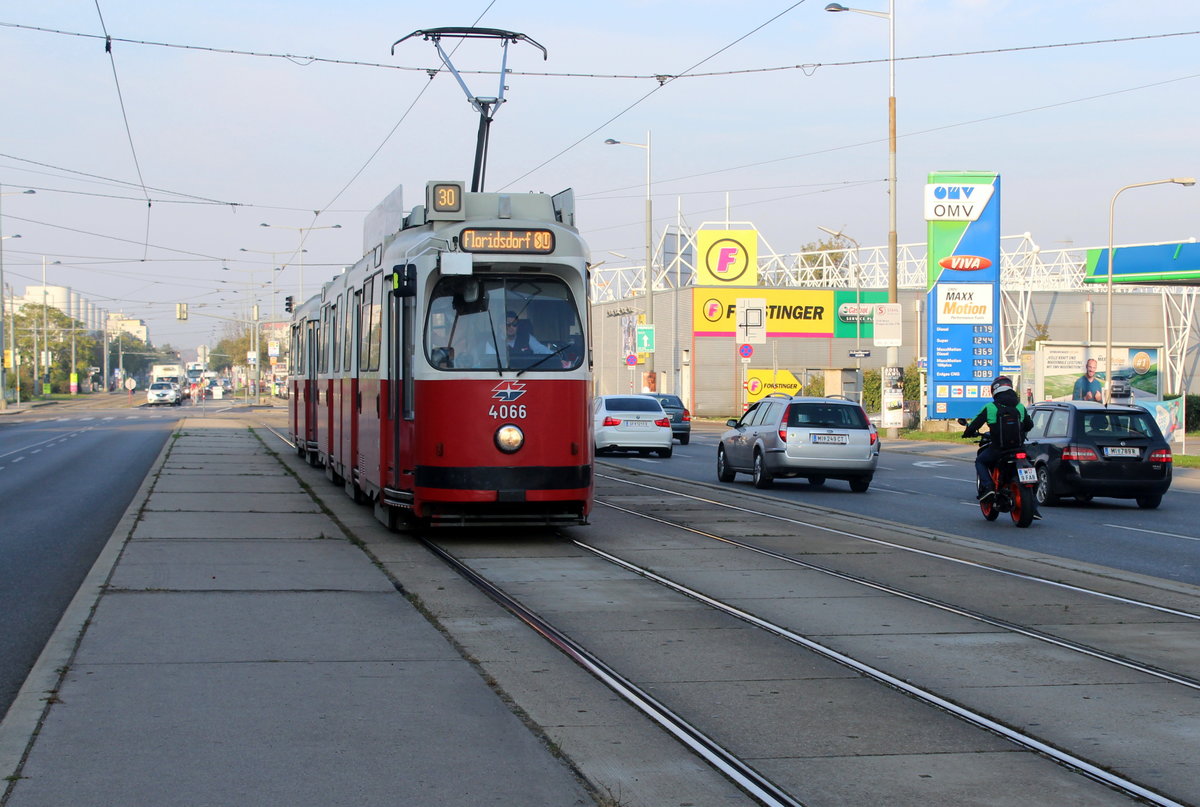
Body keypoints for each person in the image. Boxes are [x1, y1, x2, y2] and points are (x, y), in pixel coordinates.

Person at [962, 376, 1036, 513]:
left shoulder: (990, 407)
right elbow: (1029, 425)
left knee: (980, 461)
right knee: (1029, 467)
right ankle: (1034, 507)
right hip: (1019, 449)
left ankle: (989, 487)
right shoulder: (1020, 407)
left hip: (998, 449)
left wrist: (967, 432)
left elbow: (974, 425)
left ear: (994, 391)